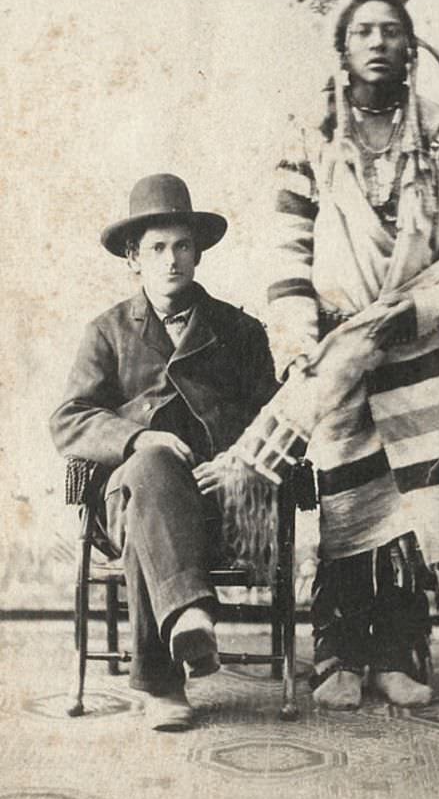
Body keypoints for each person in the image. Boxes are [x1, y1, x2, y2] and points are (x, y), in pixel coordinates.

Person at [268, 0, 439, 710]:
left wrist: (420, 308)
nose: (378, 43)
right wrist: (305, 339)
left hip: (417, 343)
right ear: (343, 46)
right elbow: (289, 250)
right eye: (363, 31)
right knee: (342, 497)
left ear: (409, 44)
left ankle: (401, 651)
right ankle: (337, 653)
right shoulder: (312, 135)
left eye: (391, 30)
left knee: (411, 500)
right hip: (339, 343)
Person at [50, 173, 277, 730]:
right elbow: (68, 418)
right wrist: (137, 438)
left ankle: (162, 683)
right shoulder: (106, 332)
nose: (171, 259)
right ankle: (190, 614)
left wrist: (240, 464)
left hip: (216, 500)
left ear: (197, 254)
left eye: (182, 246)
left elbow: (272, 419)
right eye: (156, 248)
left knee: (157, 501)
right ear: (134, 257)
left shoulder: (239, 331)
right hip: (125, 502)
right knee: (150, 467)